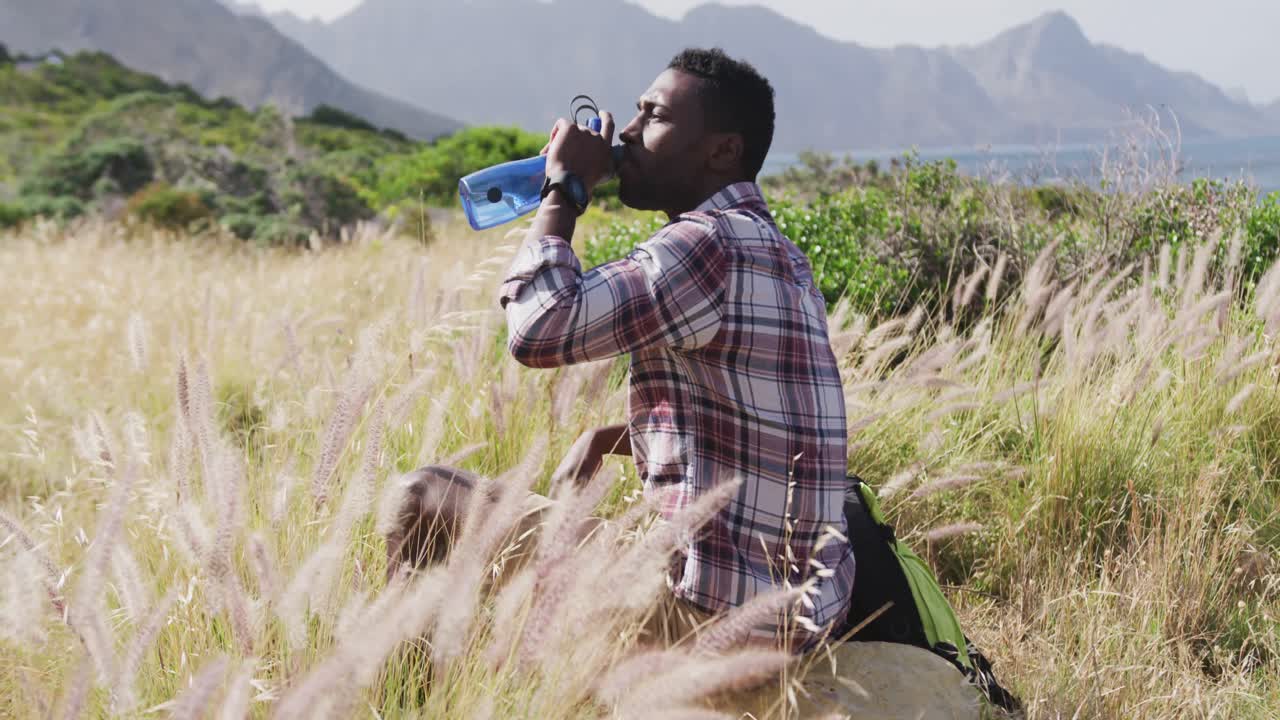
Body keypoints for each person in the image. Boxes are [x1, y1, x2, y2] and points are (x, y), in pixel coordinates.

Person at [494, 46, 855, 652]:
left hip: (714, 622)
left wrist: (562, 189)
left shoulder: (704, 245)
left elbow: (538, 331)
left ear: (723, 151)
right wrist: (608, 437)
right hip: (800, 622)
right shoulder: (783, 255)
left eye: (652, 116)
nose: (626, 133)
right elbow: (756, 418)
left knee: (421, 496)